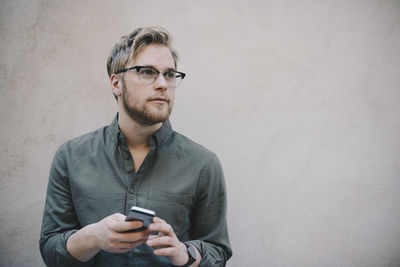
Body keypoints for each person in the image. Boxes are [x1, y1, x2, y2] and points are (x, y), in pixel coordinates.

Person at [39, 26, 232, 267]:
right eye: (148, 72)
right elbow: (50, 249)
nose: (162, 83)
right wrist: (92, 237)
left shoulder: (203, 163)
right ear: (116, 83)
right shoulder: (71, 156)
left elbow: (218, 251)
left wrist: (185, 254)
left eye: (170, 74)